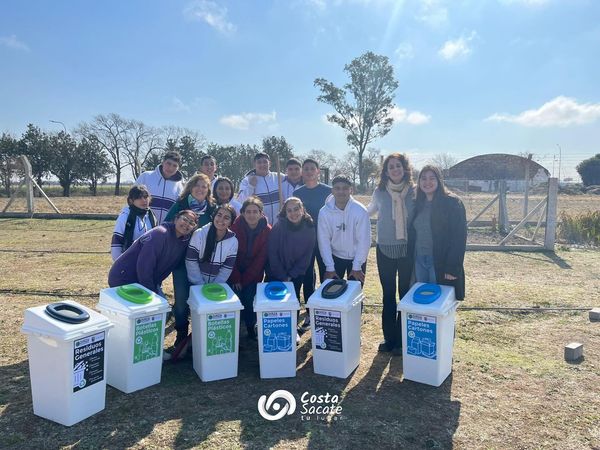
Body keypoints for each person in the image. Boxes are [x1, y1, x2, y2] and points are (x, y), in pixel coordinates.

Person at [368, 153, 415, 354]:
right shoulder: (379, 192)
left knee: (404, 294)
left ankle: (401, 340)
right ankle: (389, 339)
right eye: (391, 167)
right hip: (384, 249)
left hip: (407, 249)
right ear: (386, 172)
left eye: (398, 166)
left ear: (404, 168)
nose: (395, 169)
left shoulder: (415, 191)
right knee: (388, 295)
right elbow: (368, 211)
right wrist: (344, 207)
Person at [164, 173, 216, 347]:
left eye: (204, 186)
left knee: (200, 298)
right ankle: (181, 334)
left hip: (203, 262)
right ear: (190, 187)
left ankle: (199, 337)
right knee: (181, 301)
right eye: (197, 185)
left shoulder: (211, 208)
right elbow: (167, 226)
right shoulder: (180, 205)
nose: (201, 189)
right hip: (180, 262)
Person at [408, 165, 467, 300]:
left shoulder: (452, 203)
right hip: (419, 260)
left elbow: (459, 237)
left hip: (439, 262)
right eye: (423, 179)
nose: (427, 182)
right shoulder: (417, 203)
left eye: (431, 178)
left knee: (439, 300)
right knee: (422, 299)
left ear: (439, 180)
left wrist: (452, 267)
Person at [108, 210, 197, 294]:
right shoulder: (160, 234)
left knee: (162, 308)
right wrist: (151, 291)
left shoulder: (184, 241)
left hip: (146, 282)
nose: (187, 224)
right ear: (176, 218)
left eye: (191, 223)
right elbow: (144, 265)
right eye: (184, 219)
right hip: (124, 278)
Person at [268, 197, 316, 342]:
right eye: (289, 210)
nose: (293, 213)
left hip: (297, 272)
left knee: (293, 300)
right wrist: (282, 274)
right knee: (276, 300)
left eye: (296, 209)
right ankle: (273, 328)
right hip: (277, 271)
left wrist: (292, 274)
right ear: (285, 212)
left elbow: (307, 255)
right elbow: (272, 252)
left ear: (302, 210)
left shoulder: (309, 227)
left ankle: (292, 328)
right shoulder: (279, 226)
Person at [293, 158, 331, 333]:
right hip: (305, 240)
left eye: (312, 169)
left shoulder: (328, 191)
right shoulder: (298, 192)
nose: (308, 172)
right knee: (308, 276)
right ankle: (309, 313)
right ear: (302, 172)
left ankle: (327, 312)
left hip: (326, 240)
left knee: (326, 274)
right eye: (305, 169)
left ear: (318, 171)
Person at [229, 197, 272, 340]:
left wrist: (245, 280)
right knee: (234, 298)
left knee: (249, 298)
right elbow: (230, 255)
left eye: (255, 211)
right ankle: (232, 330)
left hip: (253, 273)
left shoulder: (267, 230)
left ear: (261, 213)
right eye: (248, 212)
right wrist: (236, 278)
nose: (251, 215)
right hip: (233, 271)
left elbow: (261, 258)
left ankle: (250, 327)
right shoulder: (234, 228)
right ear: (242, 213)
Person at [318, 176, 371, 285]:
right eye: (337, 188)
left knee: (354, 294)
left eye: (345, 188)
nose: (341, 191)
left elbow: (364, 240)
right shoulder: (324, 212)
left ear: (351, 190)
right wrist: (329, 266)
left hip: (356, 258)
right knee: (333, 294)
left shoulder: (360, 210)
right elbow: (323, 240)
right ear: (332, 190)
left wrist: (357, 266)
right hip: (335, 257)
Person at [186, 204, 238, 286]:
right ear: (214, 216)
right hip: (195, 283)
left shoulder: (233, 241)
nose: (221, 220)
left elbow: (227, 268)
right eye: (219, 215)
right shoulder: (199, 234)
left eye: (226, 218)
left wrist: (215, 285)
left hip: (216, 286)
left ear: (231, 223)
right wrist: (199, 283)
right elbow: (191, 261)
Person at [136, 150, 185, 224]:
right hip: (143, 226)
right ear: (163, 162)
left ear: (178, 168)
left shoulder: (180, 186)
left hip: (165, 230)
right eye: (168, 163)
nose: (171, 168)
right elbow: (132, 200)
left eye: (175, 165)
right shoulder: (145, 177)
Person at [110, 185, 157, 261]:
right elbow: (116, 242)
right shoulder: (124, 217)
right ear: (131, 200)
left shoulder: (152, 216)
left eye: (145, 197)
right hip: (128, 259)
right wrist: (119, 263)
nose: (143, 200)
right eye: (139, 198)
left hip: (148, 260)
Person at [237, 152, 283, 225]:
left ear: (269, 164)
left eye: (265, 162)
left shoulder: (279, 177)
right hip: (261, 226)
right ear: (254, 165)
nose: (262, 165)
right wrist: (251, 186)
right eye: (259, 162)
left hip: (279, 225)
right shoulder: (247, 180)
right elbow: (240, 201)